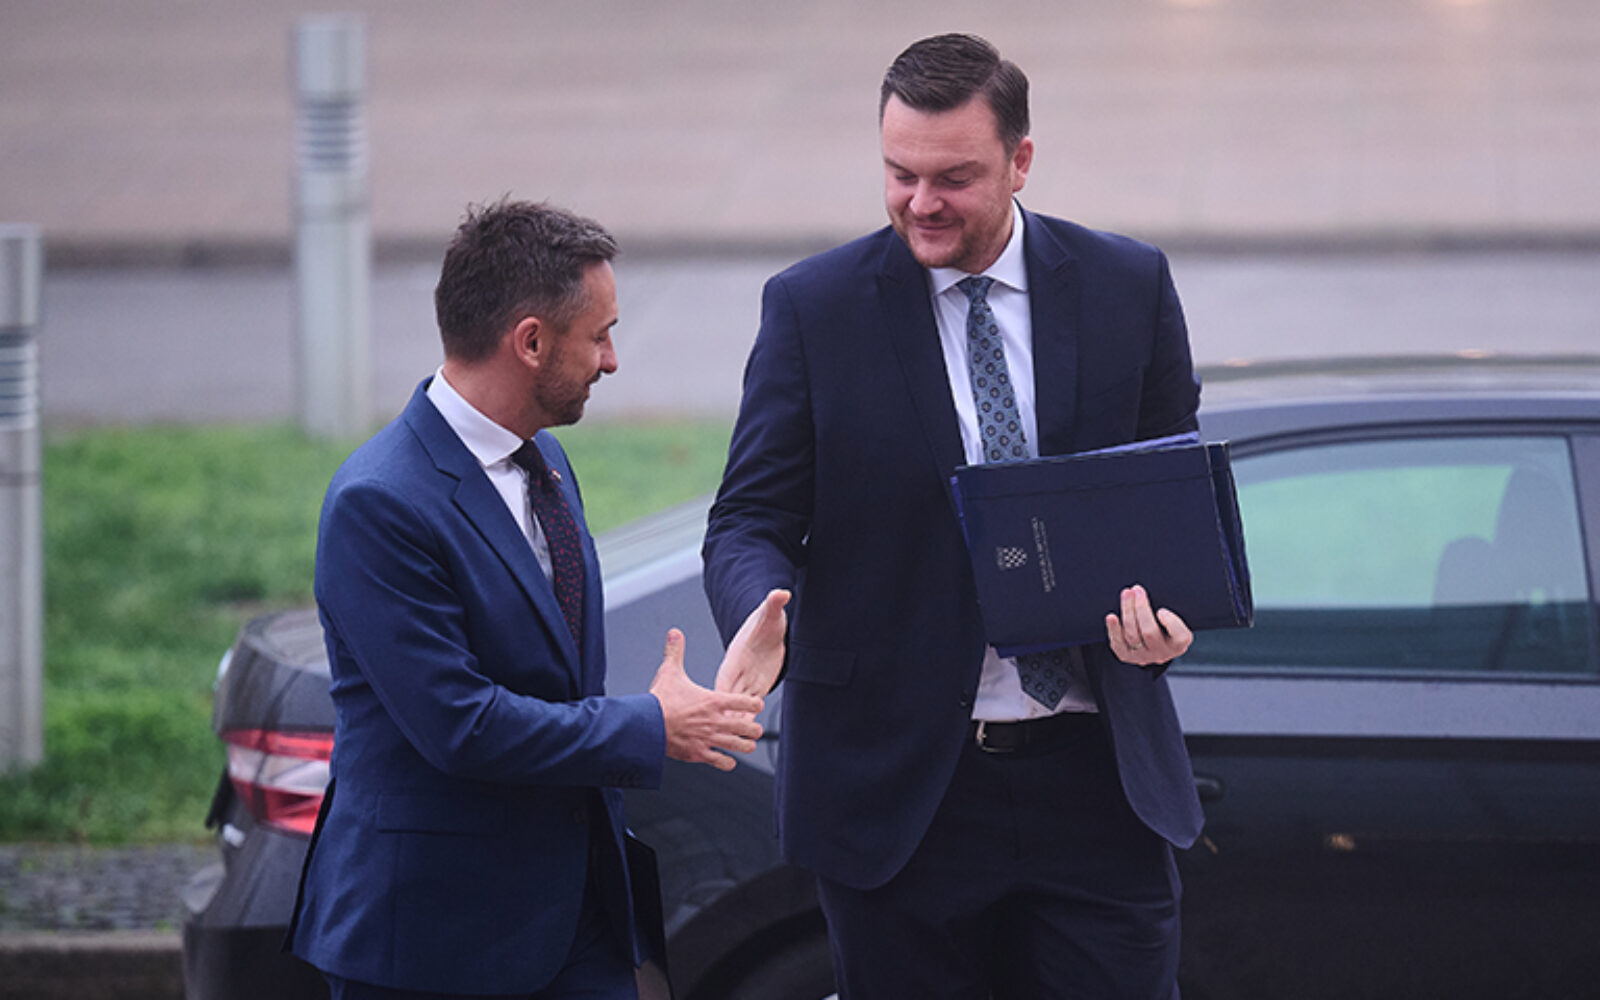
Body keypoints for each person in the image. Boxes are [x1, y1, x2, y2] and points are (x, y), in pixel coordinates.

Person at [703, 33, 1205, 1000]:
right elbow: (749, 516)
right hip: (897, 795)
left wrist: (1171, 615)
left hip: (1097, 785)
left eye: (953, 178)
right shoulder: (814, 309)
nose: (921, 202)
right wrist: (762, 612)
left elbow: (1168, 497)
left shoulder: (1127, 286)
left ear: (1021, 160)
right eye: (900, 174)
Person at [286, 198, 787, 1000]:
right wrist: (650, 725)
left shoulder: (544, 459)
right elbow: (459, 724)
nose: (612, 360)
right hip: (435, 944)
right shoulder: (379, 504)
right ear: (530, 342)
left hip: (577, 925)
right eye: (599, 335)